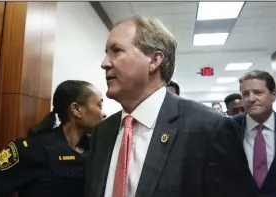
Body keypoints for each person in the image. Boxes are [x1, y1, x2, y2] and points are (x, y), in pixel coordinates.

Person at [85, 16, 250, 197]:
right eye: (106, 52)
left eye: (117, 50)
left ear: (154, 60)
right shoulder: (102, 132)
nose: (104, 63)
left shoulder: (209, 128)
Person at [0, 80, 104, 197]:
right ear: (76, 109)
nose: (104, 114)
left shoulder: (97, 150)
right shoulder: (31, 149)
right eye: (100, 106)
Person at [233, 70, 276, 197]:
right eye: (245, 94)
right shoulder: (228, 128)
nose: (251, 99)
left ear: (274, 95)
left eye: (258, 93)